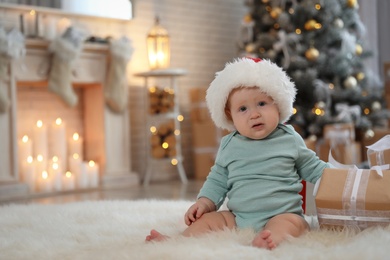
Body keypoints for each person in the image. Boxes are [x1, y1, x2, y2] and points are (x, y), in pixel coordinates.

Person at [145, 57, 330, 249]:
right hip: (238, 217)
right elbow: (217, 179)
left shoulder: (289, 139)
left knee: (294, 224)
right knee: (210, 221)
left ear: (278, 104)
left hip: (282, 213)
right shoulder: (230, 145)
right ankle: (178, 241)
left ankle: (269, 239)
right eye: (242, 109)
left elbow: (315, 168)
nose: (254, 114)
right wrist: (204, 203)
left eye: (262, 104)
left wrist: (344, 180)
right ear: (230, 116)